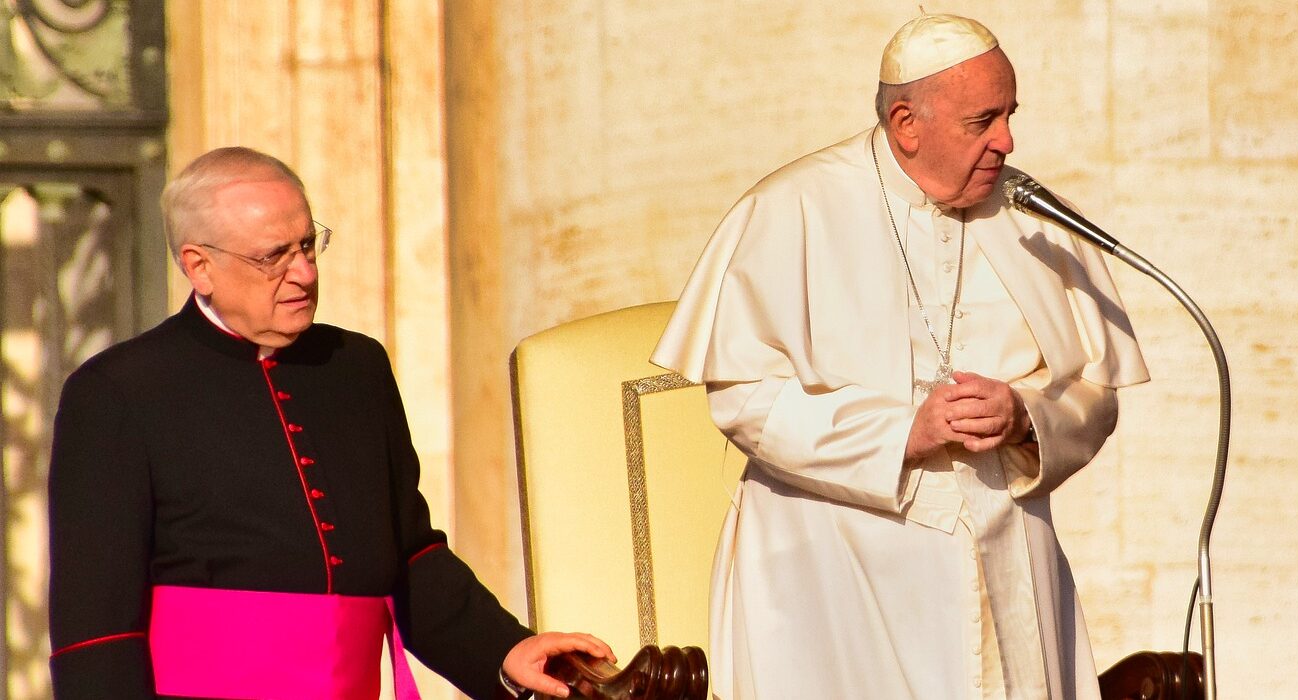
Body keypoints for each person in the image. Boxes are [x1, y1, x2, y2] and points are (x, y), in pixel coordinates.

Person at [652, 13, 1149, 700]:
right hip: (833, 569)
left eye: (1009, 115)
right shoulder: (793, 209)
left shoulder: (1031, 217)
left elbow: (1094, 390)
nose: (1007, 140)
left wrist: (1025, 417)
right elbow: (743, 399)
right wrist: (900, 435)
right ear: (907, 125)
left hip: (1004, 561)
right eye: (983, 121)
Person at [47, 147, 611, 699]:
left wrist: (504, 652)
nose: (305, 273)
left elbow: (411, 556)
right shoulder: (118, 391)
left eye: (308, 246)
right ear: (200, 266)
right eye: (274, 256)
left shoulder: (356, 368)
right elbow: (98, 632)